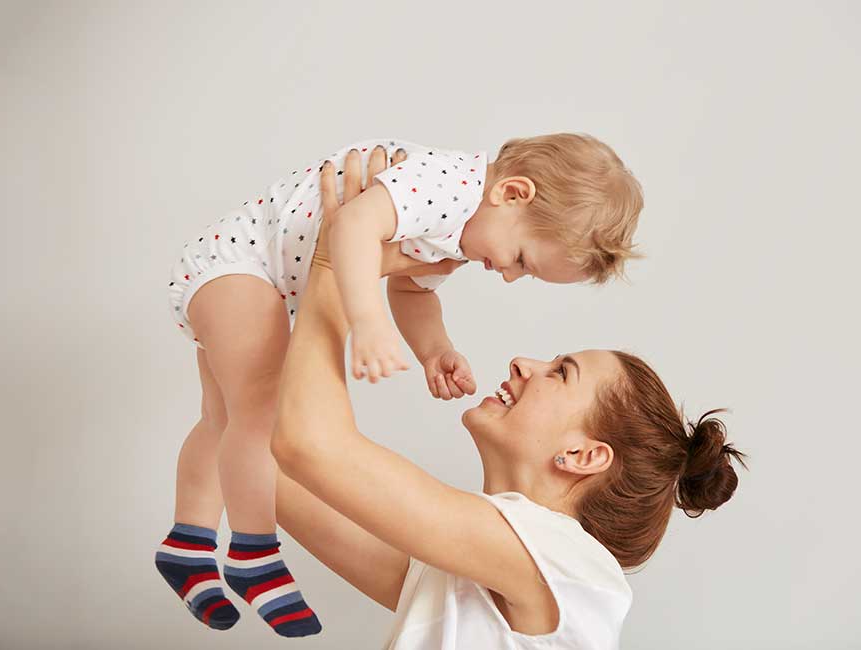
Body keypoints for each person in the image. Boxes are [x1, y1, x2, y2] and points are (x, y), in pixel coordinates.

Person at [156, 136, 644, 637]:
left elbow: (299, 447)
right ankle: (247, 550)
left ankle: (193, 545)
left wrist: (431, 347)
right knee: (245, 418)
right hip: (245, 268)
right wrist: (366, 317)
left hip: (253, 278)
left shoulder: (556, 559)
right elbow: (292, 450)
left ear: (584, 456)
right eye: (521, 258)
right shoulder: (444, 192)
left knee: (231, 421)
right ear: (513, 193)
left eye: (561, 374)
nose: (510, 277)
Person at [261, 156, 746, 648]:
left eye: (561, 373)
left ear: (584, 455)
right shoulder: (463, 576)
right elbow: (265, 467)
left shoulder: (570, 565)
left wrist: (335, 261)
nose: (522, 363)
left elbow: (309, 445)